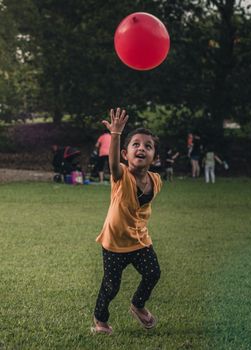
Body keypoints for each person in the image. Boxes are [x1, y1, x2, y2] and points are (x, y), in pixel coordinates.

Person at [92, 108, 162, 335]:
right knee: (111, 286)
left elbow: (141, 209)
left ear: (155, 157)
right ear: (125, 154)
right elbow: (112, 164)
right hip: (114, 243)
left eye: (148, 146)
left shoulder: (156, 180)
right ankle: (101, 321)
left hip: (140, 240)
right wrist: (116, 133)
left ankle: (138, 305)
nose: (142, 148)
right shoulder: (121, 176)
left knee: (153, 273)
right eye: (136, 145)